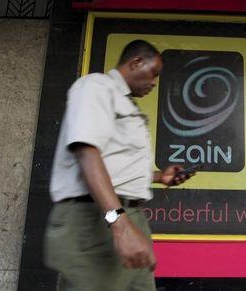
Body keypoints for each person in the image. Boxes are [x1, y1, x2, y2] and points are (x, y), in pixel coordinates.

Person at [43, 40, 193, 291]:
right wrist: (120, 225)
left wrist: (159, 177)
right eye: (153, 74)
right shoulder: (97, 87)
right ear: (135, 62)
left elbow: (113, 168)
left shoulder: (125, 104)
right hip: (97, 219)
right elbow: (87, 152)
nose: (154, 83)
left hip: (125, 218)